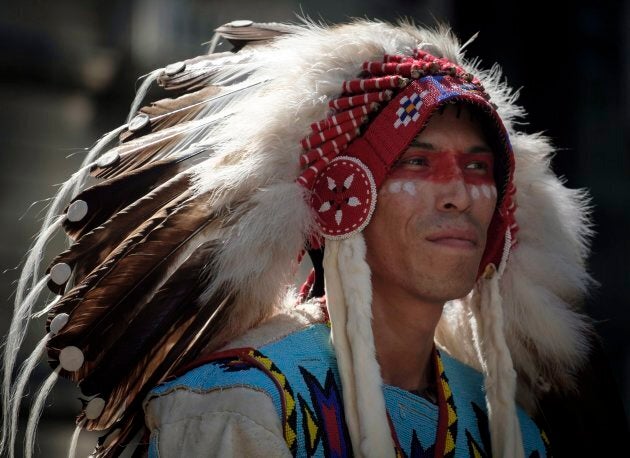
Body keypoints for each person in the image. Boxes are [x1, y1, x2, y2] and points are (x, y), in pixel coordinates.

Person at [1, 19, 625, 458]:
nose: (458, 193)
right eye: (415, 161)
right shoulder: (243, 405)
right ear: (343, 196)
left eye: (479, 167)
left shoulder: (502, 429)